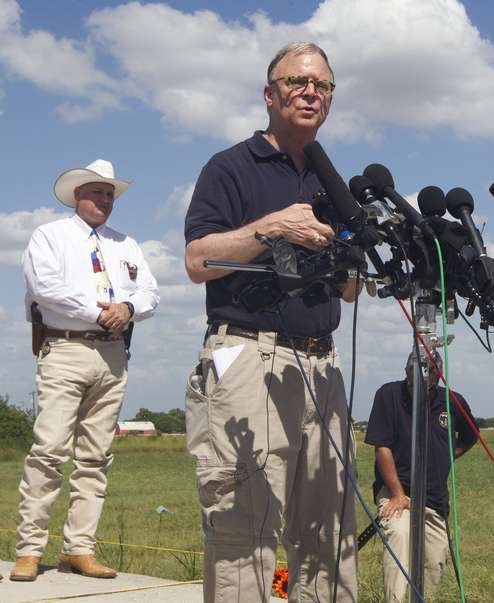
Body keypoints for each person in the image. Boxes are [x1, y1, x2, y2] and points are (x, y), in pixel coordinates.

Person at [183, 42, 359, 602]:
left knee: (331, 537)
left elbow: (351, 290)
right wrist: (274, 227)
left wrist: (353, 258)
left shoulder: (334, 183)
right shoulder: (230, 167)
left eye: (322, 86)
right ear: (269, 94)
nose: (310, 92)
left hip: (322, 363)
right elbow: (197, 261)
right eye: (296, 82)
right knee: (246, 536)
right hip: (250, 359)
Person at [11, 159, 159, 582]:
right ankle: (29, 550)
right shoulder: (50, 236)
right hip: (65, 348)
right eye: (97, 192)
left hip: (112, 354)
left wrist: (128, 309)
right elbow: (46, 289)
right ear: (78, 195)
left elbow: (150, 291)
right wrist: (103, 312)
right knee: (49, 451)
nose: (105, 200)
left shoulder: (125, 243)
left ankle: (79, 548)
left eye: (110, 193)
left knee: (95, 456)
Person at [364, 351, 478, 602]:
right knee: (400, 537)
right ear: (407, 372)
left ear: (439, 375)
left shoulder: (452, 401)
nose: (423, 384)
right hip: (397, 493)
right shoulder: (389, 395)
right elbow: (381, 447)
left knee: (434, 558)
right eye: (416, 376)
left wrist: (445, 458)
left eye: (431, 376)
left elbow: (471, 437)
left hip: (434, 498)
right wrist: (397, 493)